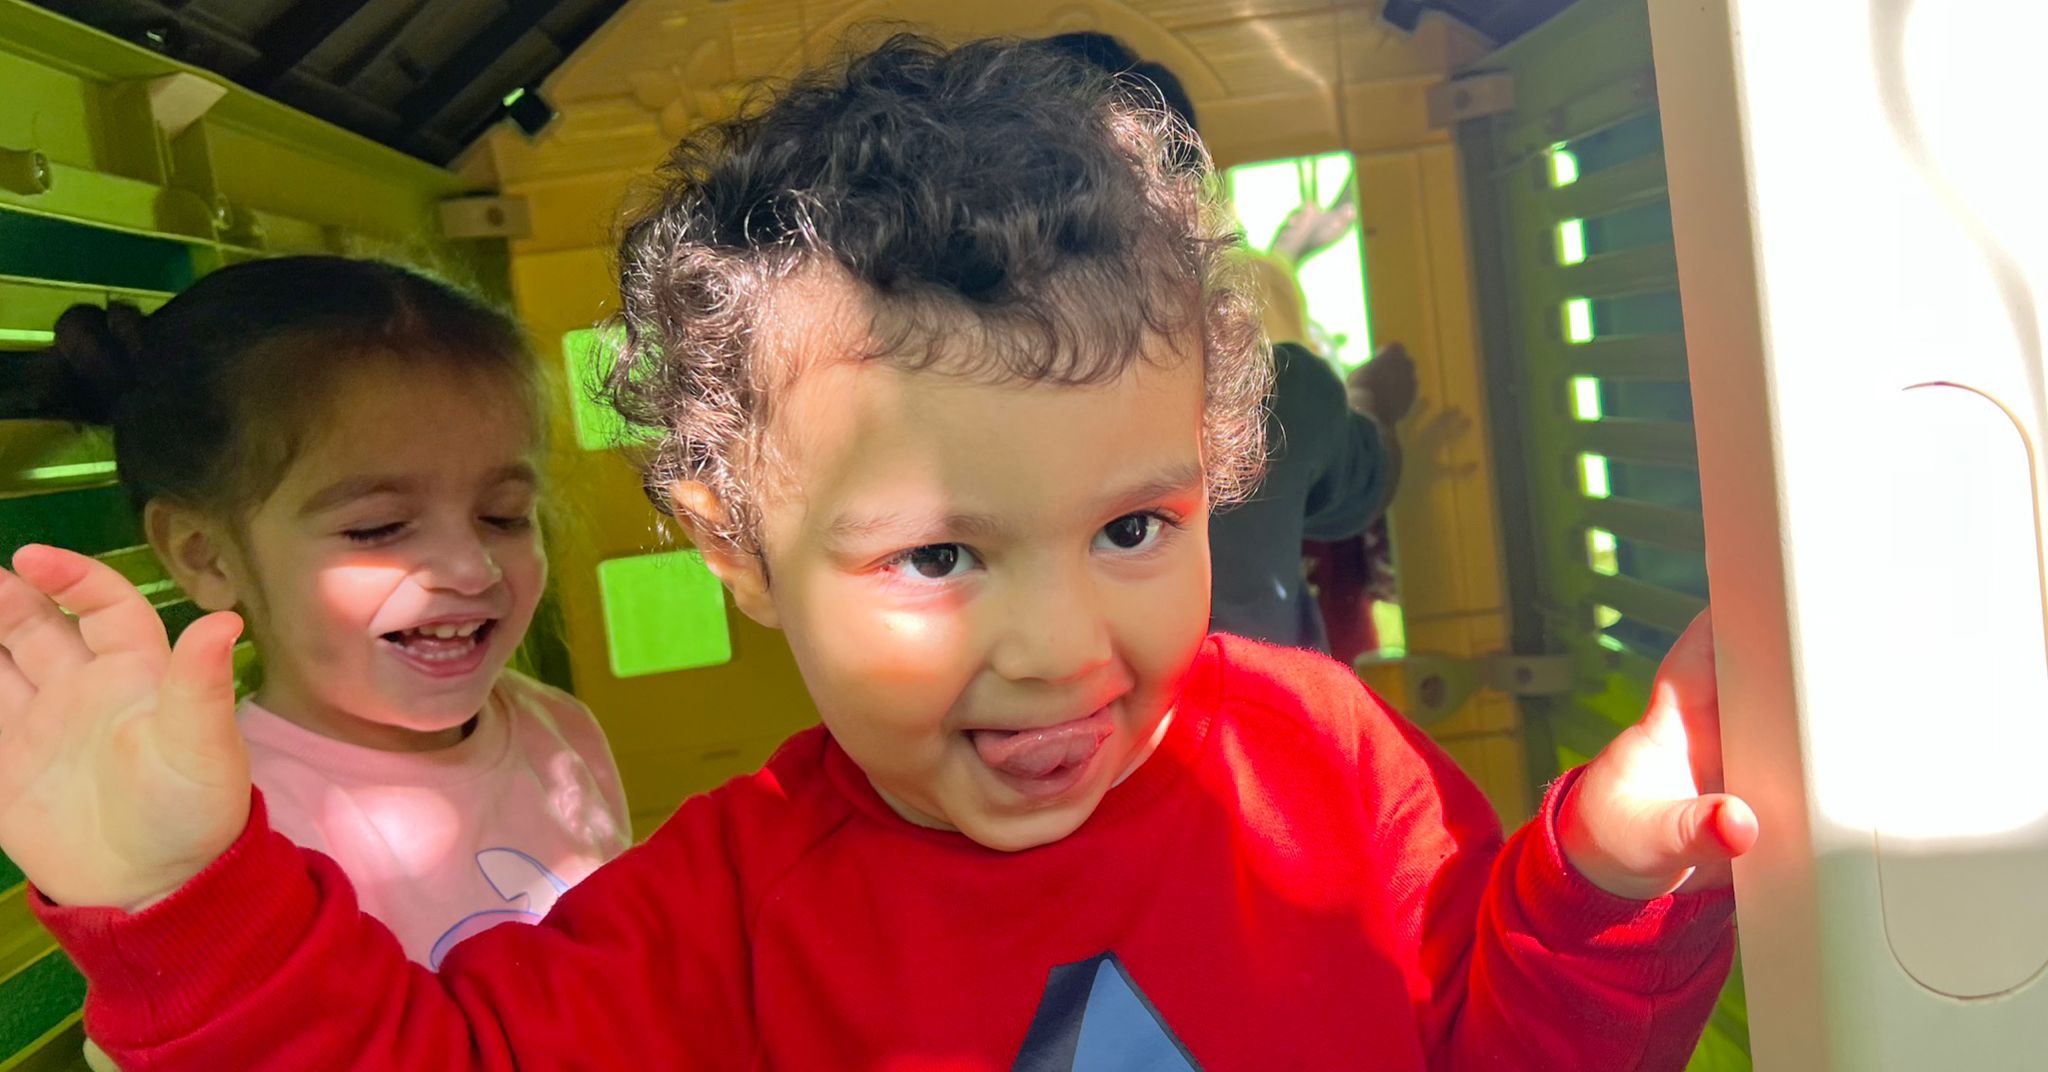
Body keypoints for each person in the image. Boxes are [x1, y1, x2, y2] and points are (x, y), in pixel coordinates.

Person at [1, 36, 1751, 1070]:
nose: (1061, 644)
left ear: (1212, 469)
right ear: (737, 550)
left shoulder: (1324, 755)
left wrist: (1602, 885)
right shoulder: (722, 917)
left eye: (1133, 526)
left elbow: (1499, 1043)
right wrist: (173, 897)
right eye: (935, 557)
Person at [9, 258, 631, 1068]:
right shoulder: (209, 824)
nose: (472, 568)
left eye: (505, 515)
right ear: (204, 555)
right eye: (378, 528)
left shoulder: (560, 729)